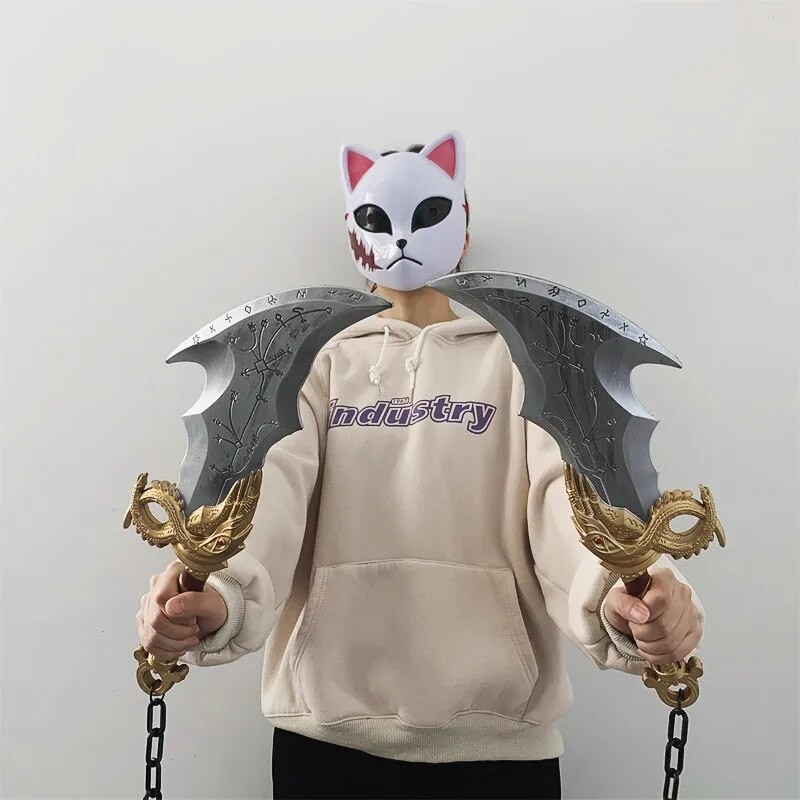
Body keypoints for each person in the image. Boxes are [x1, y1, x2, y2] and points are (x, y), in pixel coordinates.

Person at [136, 131, 704, 800]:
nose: (403, 238)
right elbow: (267, 495)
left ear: (463, 220)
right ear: (352, 225)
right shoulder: (314, 362)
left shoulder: (524, 362)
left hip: (499, 746)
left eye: (429, 212)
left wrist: (632, 593)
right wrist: (214, 592)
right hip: (326, 743)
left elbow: (569, 503)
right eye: (377, 217)